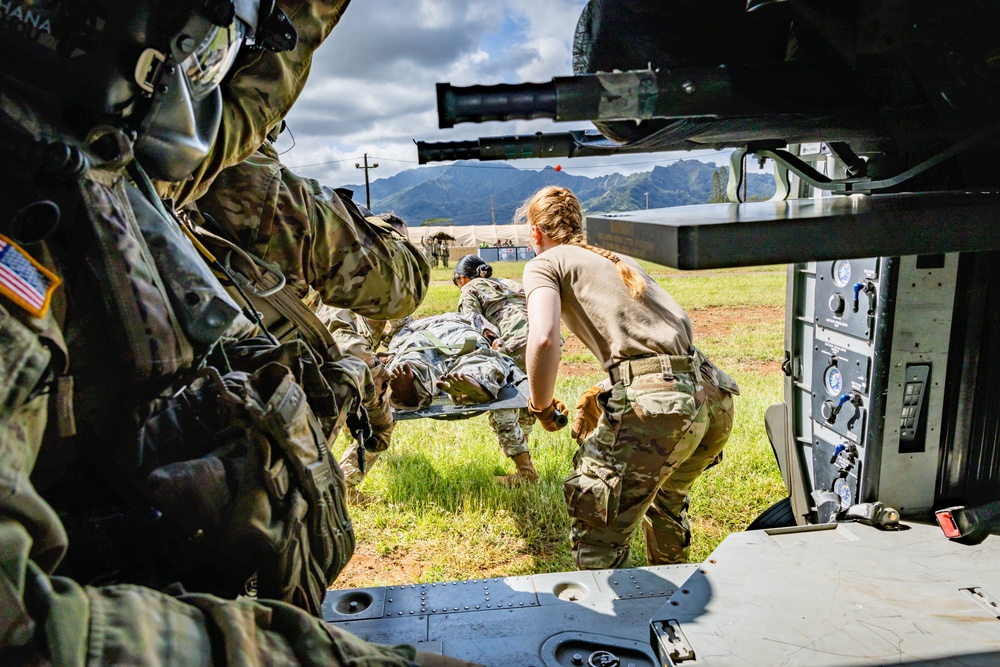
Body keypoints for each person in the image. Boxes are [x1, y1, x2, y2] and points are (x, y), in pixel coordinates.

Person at [0, 2, 474, 664]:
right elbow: (19, 626)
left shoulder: (95, 155)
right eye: (206, 53)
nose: (204, 84)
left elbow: (250, 100)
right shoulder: (48, 182)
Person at [519, 185, 740, 570]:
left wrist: (540, 406)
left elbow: (542, 338)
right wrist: (611, 386)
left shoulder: (545, 263)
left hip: (664, 404)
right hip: (712, 394)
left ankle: (614, 624)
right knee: (665, 504)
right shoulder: (615, 258)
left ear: (536, 233)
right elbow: (660, 343)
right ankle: (672, 601)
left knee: (596, 532)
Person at [453, 255, 537, 484]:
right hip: (545, 342)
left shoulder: (469, 288)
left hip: (515, 344)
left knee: (503, 406)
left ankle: (526, 474)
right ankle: (523, 453)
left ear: (461, 278)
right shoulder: (508, 282)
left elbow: (470, 325)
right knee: (528, 398)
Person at [384, 313, 523, 411]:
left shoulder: (468, 316)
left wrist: (495, 341)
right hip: (427, 335)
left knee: (476, 350)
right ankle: (411, 386)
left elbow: (487, 331)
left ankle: (472, 381)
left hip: (455, 330)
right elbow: (400, 340)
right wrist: (393, 353)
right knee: (412, 353)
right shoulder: (413, 326)